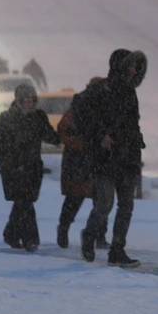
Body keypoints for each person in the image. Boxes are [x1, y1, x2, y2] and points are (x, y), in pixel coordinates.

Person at [72, 48, 147, 267]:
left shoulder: (131, 92)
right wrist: (99, 136)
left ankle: (117, 250)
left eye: (136, 66)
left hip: (129, 157)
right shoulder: (100, 89)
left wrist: (136, 140)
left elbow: (132, 123)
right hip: (107, 158)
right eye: (131, 65)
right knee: (105, 203)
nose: (134, 70)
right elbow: (79, 110)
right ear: (121, 65)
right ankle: (90, 234)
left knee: (126, 206)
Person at [0, 83, 59, 252]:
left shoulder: (38, 117)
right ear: (18, 101)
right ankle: (30, 240)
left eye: (31, 101)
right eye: (25, 101)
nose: (29, 104)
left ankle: (11, 234)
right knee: (24, 203)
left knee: (23, 204)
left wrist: (66, 135)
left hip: (33, 168)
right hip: (13, 168)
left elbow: (51, 137)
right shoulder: (7, 118)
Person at [56, 77, 110, 249]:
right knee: (75, 197)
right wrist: (79, 145)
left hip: (96, 160)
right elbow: (63, 130)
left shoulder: (104, 108)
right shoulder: (79, 107)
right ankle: (64, 228)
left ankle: (99, 236)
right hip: (78, 161)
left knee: (101, 199)